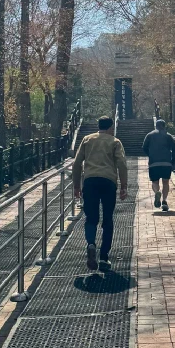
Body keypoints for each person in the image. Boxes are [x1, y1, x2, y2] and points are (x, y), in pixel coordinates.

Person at [72, 115, 128, 270]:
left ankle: (91, 244)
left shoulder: (87, 140)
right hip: (108, 181)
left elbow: (77, 164)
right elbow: (122, 164)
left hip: (90, 181)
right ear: (111, 127)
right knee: (108, 218)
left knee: (91, 217)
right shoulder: (115, 142)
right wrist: (124, 186)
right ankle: (104, 257)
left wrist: (77, 185)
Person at [142, 119, 175, 212]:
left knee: (155, 182)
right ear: (164, 126)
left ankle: (157, 192)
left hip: (154, 163)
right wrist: (173, 161)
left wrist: (151, 155)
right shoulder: (169, 136)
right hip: (166, 163)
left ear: (155, 126)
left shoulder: (149, 135)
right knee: (165, 182)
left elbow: (144, 147)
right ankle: (164, 201)